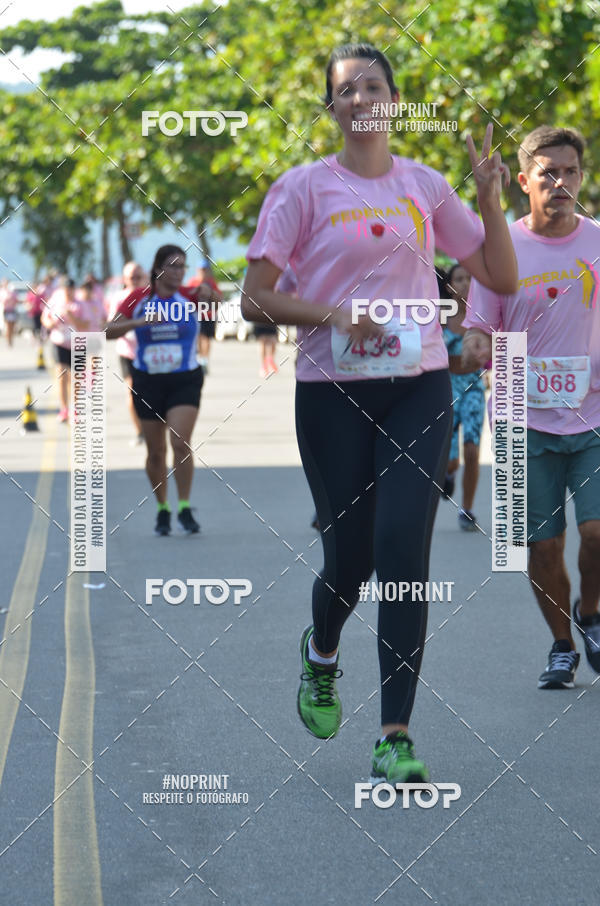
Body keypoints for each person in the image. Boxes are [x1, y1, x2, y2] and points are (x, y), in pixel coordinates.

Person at [243, 43, 517, 783]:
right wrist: (334, 314)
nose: (362, 98)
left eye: (374, 86)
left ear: (395, 101)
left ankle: (394, 732)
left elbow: (499, 274)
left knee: (403, 550)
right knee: (351, 560)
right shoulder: (301, 189)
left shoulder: (425, 186)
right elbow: (255, 296)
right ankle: (322, 650)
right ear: (331, 108)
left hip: (416, 385)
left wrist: (491, 200)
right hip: (331, 392)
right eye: (346, 90)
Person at [463, 125, 600, 690]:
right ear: (523, 181)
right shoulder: (501, 247)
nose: (560, 182)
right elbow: (479, 329)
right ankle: (562, 644)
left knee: (597, 533)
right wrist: (472, 349)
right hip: (521, 417)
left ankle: (590, 613)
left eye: (569, 172)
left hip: (594, 416)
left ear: (582, 178)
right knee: (541, 545)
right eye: (547, 172)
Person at [106, 245, 213, 536]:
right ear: (158, 269)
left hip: (184, 379)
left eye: (183, 267)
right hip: (148, 381)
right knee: (156, 452)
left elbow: (216, 299)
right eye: (174, 266)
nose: (179, 272)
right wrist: (140, 322)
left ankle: (185, 506)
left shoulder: (189, 295)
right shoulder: (139, 298)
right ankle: (163, 508)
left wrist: (209, 292)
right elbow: (108, 331)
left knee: (180, 442)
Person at [441, 263, 487, 530]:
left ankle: (466, 510)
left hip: (473, 387)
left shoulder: (480, 316)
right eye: (459, 279)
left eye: (470, 279)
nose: (466, 284)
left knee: (471, 450)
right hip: (446, 387)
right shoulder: (438, 317)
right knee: (451, 459)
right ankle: (447, 474)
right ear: (449, 286)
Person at [41, 277, 106, 422]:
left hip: (78, 343)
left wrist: (71, 317)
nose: (68, 293)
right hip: (59, 342)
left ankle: (76, 409)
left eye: (70, 290)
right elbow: (44, 318)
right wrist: (50, 323)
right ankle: (64, 409)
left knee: (77, 378)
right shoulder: (55, 301)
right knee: (62, 375)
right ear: (61, 289)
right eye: (66, 289)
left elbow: (86, 325)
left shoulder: (81, 304)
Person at [107, 261, 148, 444]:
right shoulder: (119, 297)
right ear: (125, 279)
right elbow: (111, 326)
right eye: (132, 277)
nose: (135, 280)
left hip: (150, 353)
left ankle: (152, 428)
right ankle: (140, 431)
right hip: (128, 351)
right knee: (132, 393)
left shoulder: (151, 296)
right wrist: (131, 327)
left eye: (139, 276)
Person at [186, 259, 222, 373]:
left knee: (206, 338)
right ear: (197, 270)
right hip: (195, 315)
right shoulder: (192, 282)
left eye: (205, 270)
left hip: (209, 315)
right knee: (197, 337)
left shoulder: (212, 283)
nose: (203, 272)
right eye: (201, 269)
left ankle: (205, 359)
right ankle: (199, 358)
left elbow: (218, 297)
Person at [0, 280, 19, 347]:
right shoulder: (2, 292)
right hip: (6, 311)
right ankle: (8, 341)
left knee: (12, 327)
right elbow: (2, 301)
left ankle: (11, 340)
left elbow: (16, 300)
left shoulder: (13, 292)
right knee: (8, 327)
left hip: (12, 310)